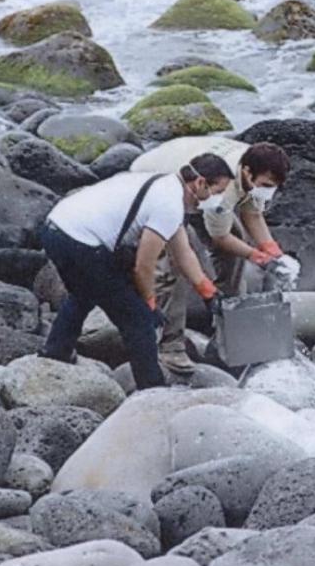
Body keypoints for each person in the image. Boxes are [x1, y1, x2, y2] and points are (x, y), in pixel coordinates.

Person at [38, 153, 235, 389]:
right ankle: (152, 389)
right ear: (200, 183)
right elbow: (144, 265)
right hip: (79, 241)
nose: (218, 199)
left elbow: (183, 252)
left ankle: (56, 350)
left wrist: (208, 292)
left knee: (84, 293)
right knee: (138, 320)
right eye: (218, 191)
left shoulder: (166, 186)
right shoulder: (168, 204)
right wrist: (149, 302)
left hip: (56, 227)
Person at [130, 136, 291, 374]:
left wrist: (273, 251)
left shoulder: (256, 164)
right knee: (171, 266)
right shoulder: (225, 190)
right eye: (266, 186)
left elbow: (252, 214)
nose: (268, 191)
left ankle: (228, 320)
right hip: (157, 179)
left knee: (237, 240)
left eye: (272, 187)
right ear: (247, 173)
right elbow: (221, 238)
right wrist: (257, 257)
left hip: (200, 182)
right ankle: (170, 344)